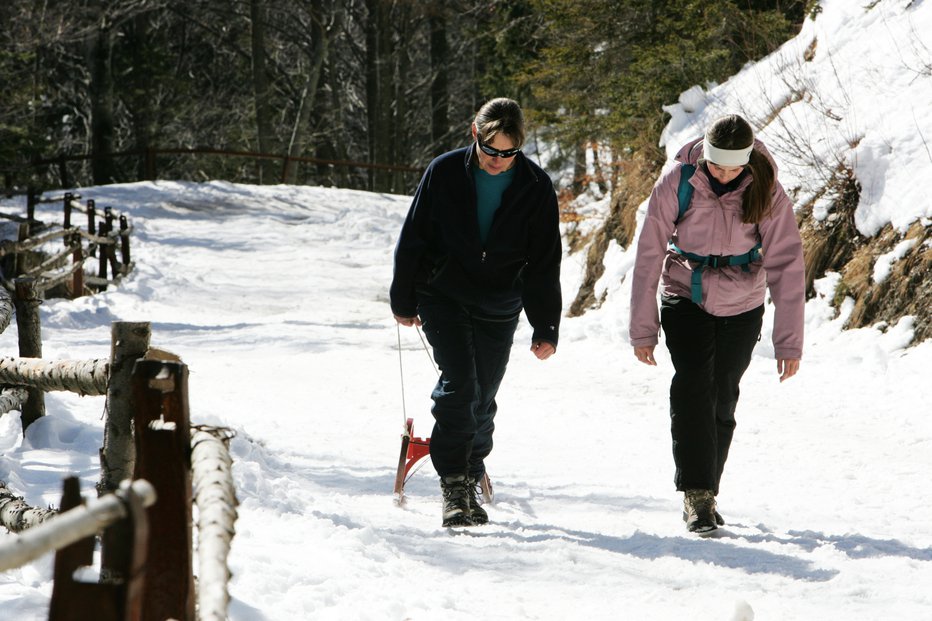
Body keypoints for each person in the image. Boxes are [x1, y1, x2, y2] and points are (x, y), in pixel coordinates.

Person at [390, 97, 562, 527]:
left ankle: (471, 471)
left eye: (509, 153)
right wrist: (403, 298)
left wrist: (546, 324)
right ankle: (453, 484)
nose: (499, 161)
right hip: (442, 293)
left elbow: (545, 261)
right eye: (491, 150)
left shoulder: (536, 186)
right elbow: (413, 236)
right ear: (474, 134)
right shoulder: (444, 172)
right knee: (461, 384)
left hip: (500, 301)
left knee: (483, 394)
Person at [629, 114, 805, 534]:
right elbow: (650, 252)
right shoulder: (679, 180)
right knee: (693, 386)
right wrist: (643, 328)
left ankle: (708, 488)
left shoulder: (766, 189)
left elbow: (787, 265)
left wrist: (789, 343)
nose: (724, 173)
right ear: (704, 154)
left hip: (743, 302)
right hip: (685, 294)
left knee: (722, 395)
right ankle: (697, 495)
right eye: (716, 164)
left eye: (733, 166)